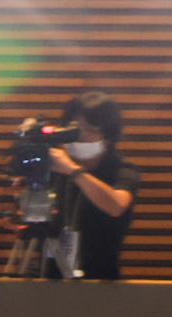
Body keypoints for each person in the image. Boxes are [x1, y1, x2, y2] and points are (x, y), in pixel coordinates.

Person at [44, 91, 139, 280]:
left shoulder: (121, 170)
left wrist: (74, 171)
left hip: (101, 283)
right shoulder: (54, 169)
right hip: (51, 280)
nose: (81, 136)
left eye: (90, 129)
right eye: (75, 128)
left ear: (108, 134)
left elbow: (116, 206)